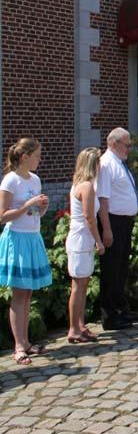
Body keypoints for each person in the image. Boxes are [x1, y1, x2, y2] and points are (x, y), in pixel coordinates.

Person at [0, 139, 52, 365]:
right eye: (37, 156)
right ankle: (18, 346)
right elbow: (3, 216)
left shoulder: (36, 179)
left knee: (28, 293)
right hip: (17, 239)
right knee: (19, 294)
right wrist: (26, 204)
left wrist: (42, 208)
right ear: (24, 157)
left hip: (32, 237)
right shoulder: (11, 180)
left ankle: (27, 341)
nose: (39, 160)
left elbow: (33, 214)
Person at [97, 128, 138, 330]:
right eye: (127, 145)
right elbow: (103, 200)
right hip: (113, 222)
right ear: (114, 144)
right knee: (111, 269)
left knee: (121, 268)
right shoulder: (106, 164)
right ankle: (109, 315)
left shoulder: (119, 163)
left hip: (124, 222)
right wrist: (106, 229)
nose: (129, 149)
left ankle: (121, 308)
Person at [66, 147, 104, 344]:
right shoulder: (86, 186)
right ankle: (74, 328)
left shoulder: (80, 184)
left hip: (82, 238)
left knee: (82, 284)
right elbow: (89, 218)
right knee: (78, 286)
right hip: (81, 238)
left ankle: (80, 325)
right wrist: (99, 240)